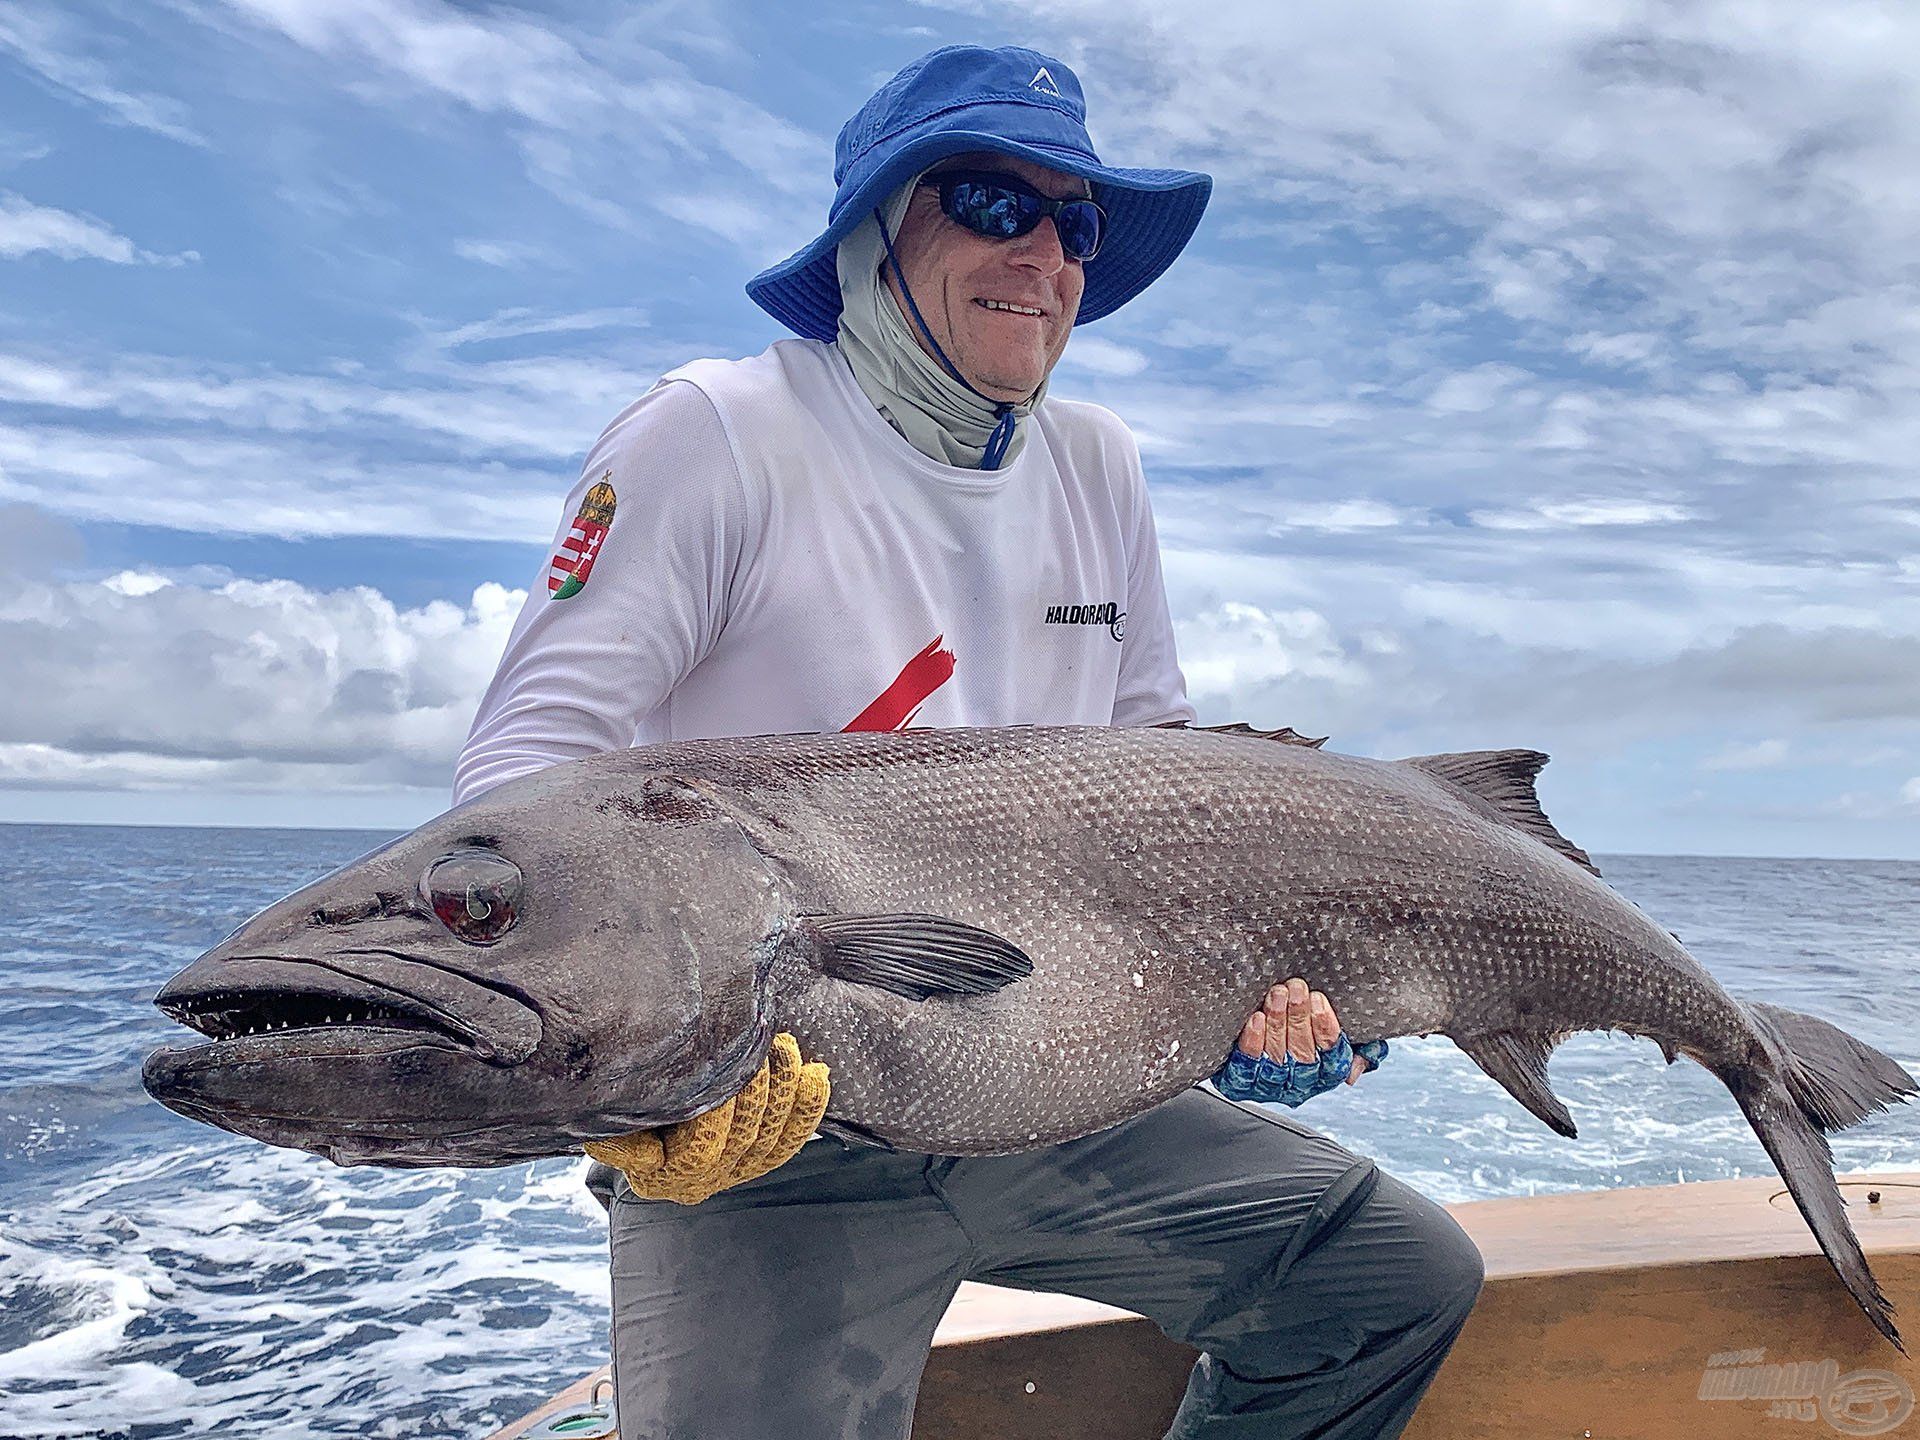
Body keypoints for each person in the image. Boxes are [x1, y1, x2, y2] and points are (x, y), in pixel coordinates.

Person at [454, 44, 1483, 1440]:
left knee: (1387, 1281)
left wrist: (1235, 1005)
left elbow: (1163, 780)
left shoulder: (1099, 462)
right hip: (779, 1136)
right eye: (995, 204)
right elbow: (531, 766)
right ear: (879, 231)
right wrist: (647, 1078)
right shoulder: (719, 431)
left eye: (1078, 223)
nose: (1045, 256)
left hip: (1055, 1086)